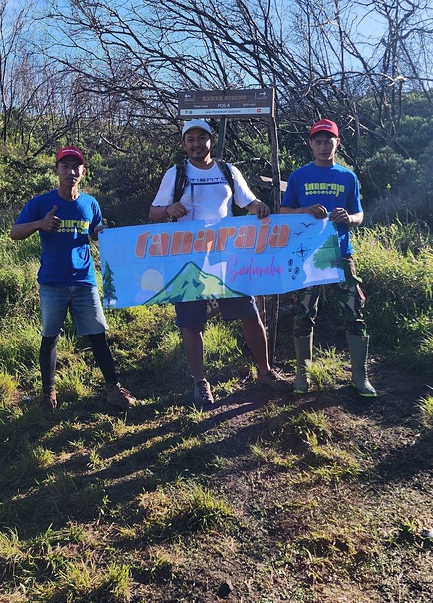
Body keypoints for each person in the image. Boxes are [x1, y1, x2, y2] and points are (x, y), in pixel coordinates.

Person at [149, 119, 287, 406]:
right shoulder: (175, 174)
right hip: (188, 259)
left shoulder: (228, 170)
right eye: (191, 140)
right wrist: (169, 209)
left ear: (211, 140)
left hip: (227, 256)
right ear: (184, 144)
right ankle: (201, 383)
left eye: (202, 138)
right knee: (192, 322)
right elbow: (153, 214)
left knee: (250, 314)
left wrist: (258, 207)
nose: (197, 144)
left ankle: (265, 372)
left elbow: (247, 202)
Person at [10, 145, 136, 413]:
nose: (70, 171)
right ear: (56, 170)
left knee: (98, 335)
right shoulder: (41, 203)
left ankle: (113, 390)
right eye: (65, 166)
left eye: (75, 166)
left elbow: (92, 233)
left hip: (84, 281)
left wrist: (101, 232)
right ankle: (48, 395)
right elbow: (14, 232)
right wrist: (39, 225)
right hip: (52, 283)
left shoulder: (90, 203)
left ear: (83, 171)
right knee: (50, 337)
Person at [280, 118, 376, 398]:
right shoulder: (299, 176)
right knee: (303, 313)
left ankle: (360, 376)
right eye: (318, 141)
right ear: (311, 144)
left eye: (328, 140)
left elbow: (359, 214)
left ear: (337, 143)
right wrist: (304, 210)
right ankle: (303, 374)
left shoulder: (347, 177)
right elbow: (283, 212)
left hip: (340, 255)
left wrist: (350, 218)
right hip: (307, 256)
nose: (323, 146)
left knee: (354, 311)